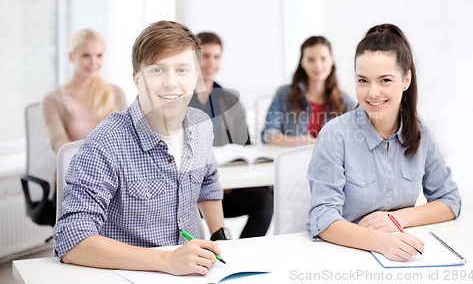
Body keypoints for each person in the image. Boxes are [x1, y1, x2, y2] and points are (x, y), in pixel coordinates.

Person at [53, 21, 229, 276]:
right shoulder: (107, 142)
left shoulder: (201, 126)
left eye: (182, 70)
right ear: (137, 78)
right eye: (157, 71)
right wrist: (168, 261)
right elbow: (71, 240)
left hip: (194, 274)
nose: (171, 83)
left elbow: (208, 182)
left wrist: (219, 234)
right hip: (130, 274)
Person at [307, 24, 461, 262]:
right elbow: (323, 219)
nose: (372, 93)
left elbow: (450, 201)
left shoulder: (421, 134)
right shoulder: (335, 135)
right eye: (363, 80)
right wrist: (383, 242)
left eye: (385, 80)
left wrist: (398, 219)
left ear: (406, 79)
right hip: (345, 256)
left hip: (402, 254)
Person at [189, 32, 273, 238]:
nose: (211, 62)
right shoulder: (180, 99)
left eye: (216, 57)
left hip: (230, 186)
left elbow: (244, 146)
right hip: (194, 189)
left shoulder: (229, 100)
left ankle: (240, 253)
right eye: (205, 56)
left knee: (265, 199)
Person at [42, 29, 127, 153]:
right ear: (71, 56)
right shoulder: (53, 100)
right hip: (76, 168)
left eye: (99, 55)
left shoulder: (117, 93)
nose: (94, 62)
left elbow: (126, 139)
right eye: (86, 55)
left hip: (113, 169)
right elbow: (59, 145)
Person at [261, 36, 356, 146]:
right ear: (302, 63)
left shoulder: (345, 101)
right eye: (311, 59)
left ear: (331, 60)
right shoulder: (283, 94)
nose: (317, 65)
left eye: (323, 58)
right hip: (292, 160)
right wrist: (297, 142)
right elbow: (268, 134)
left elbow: (354, 140)